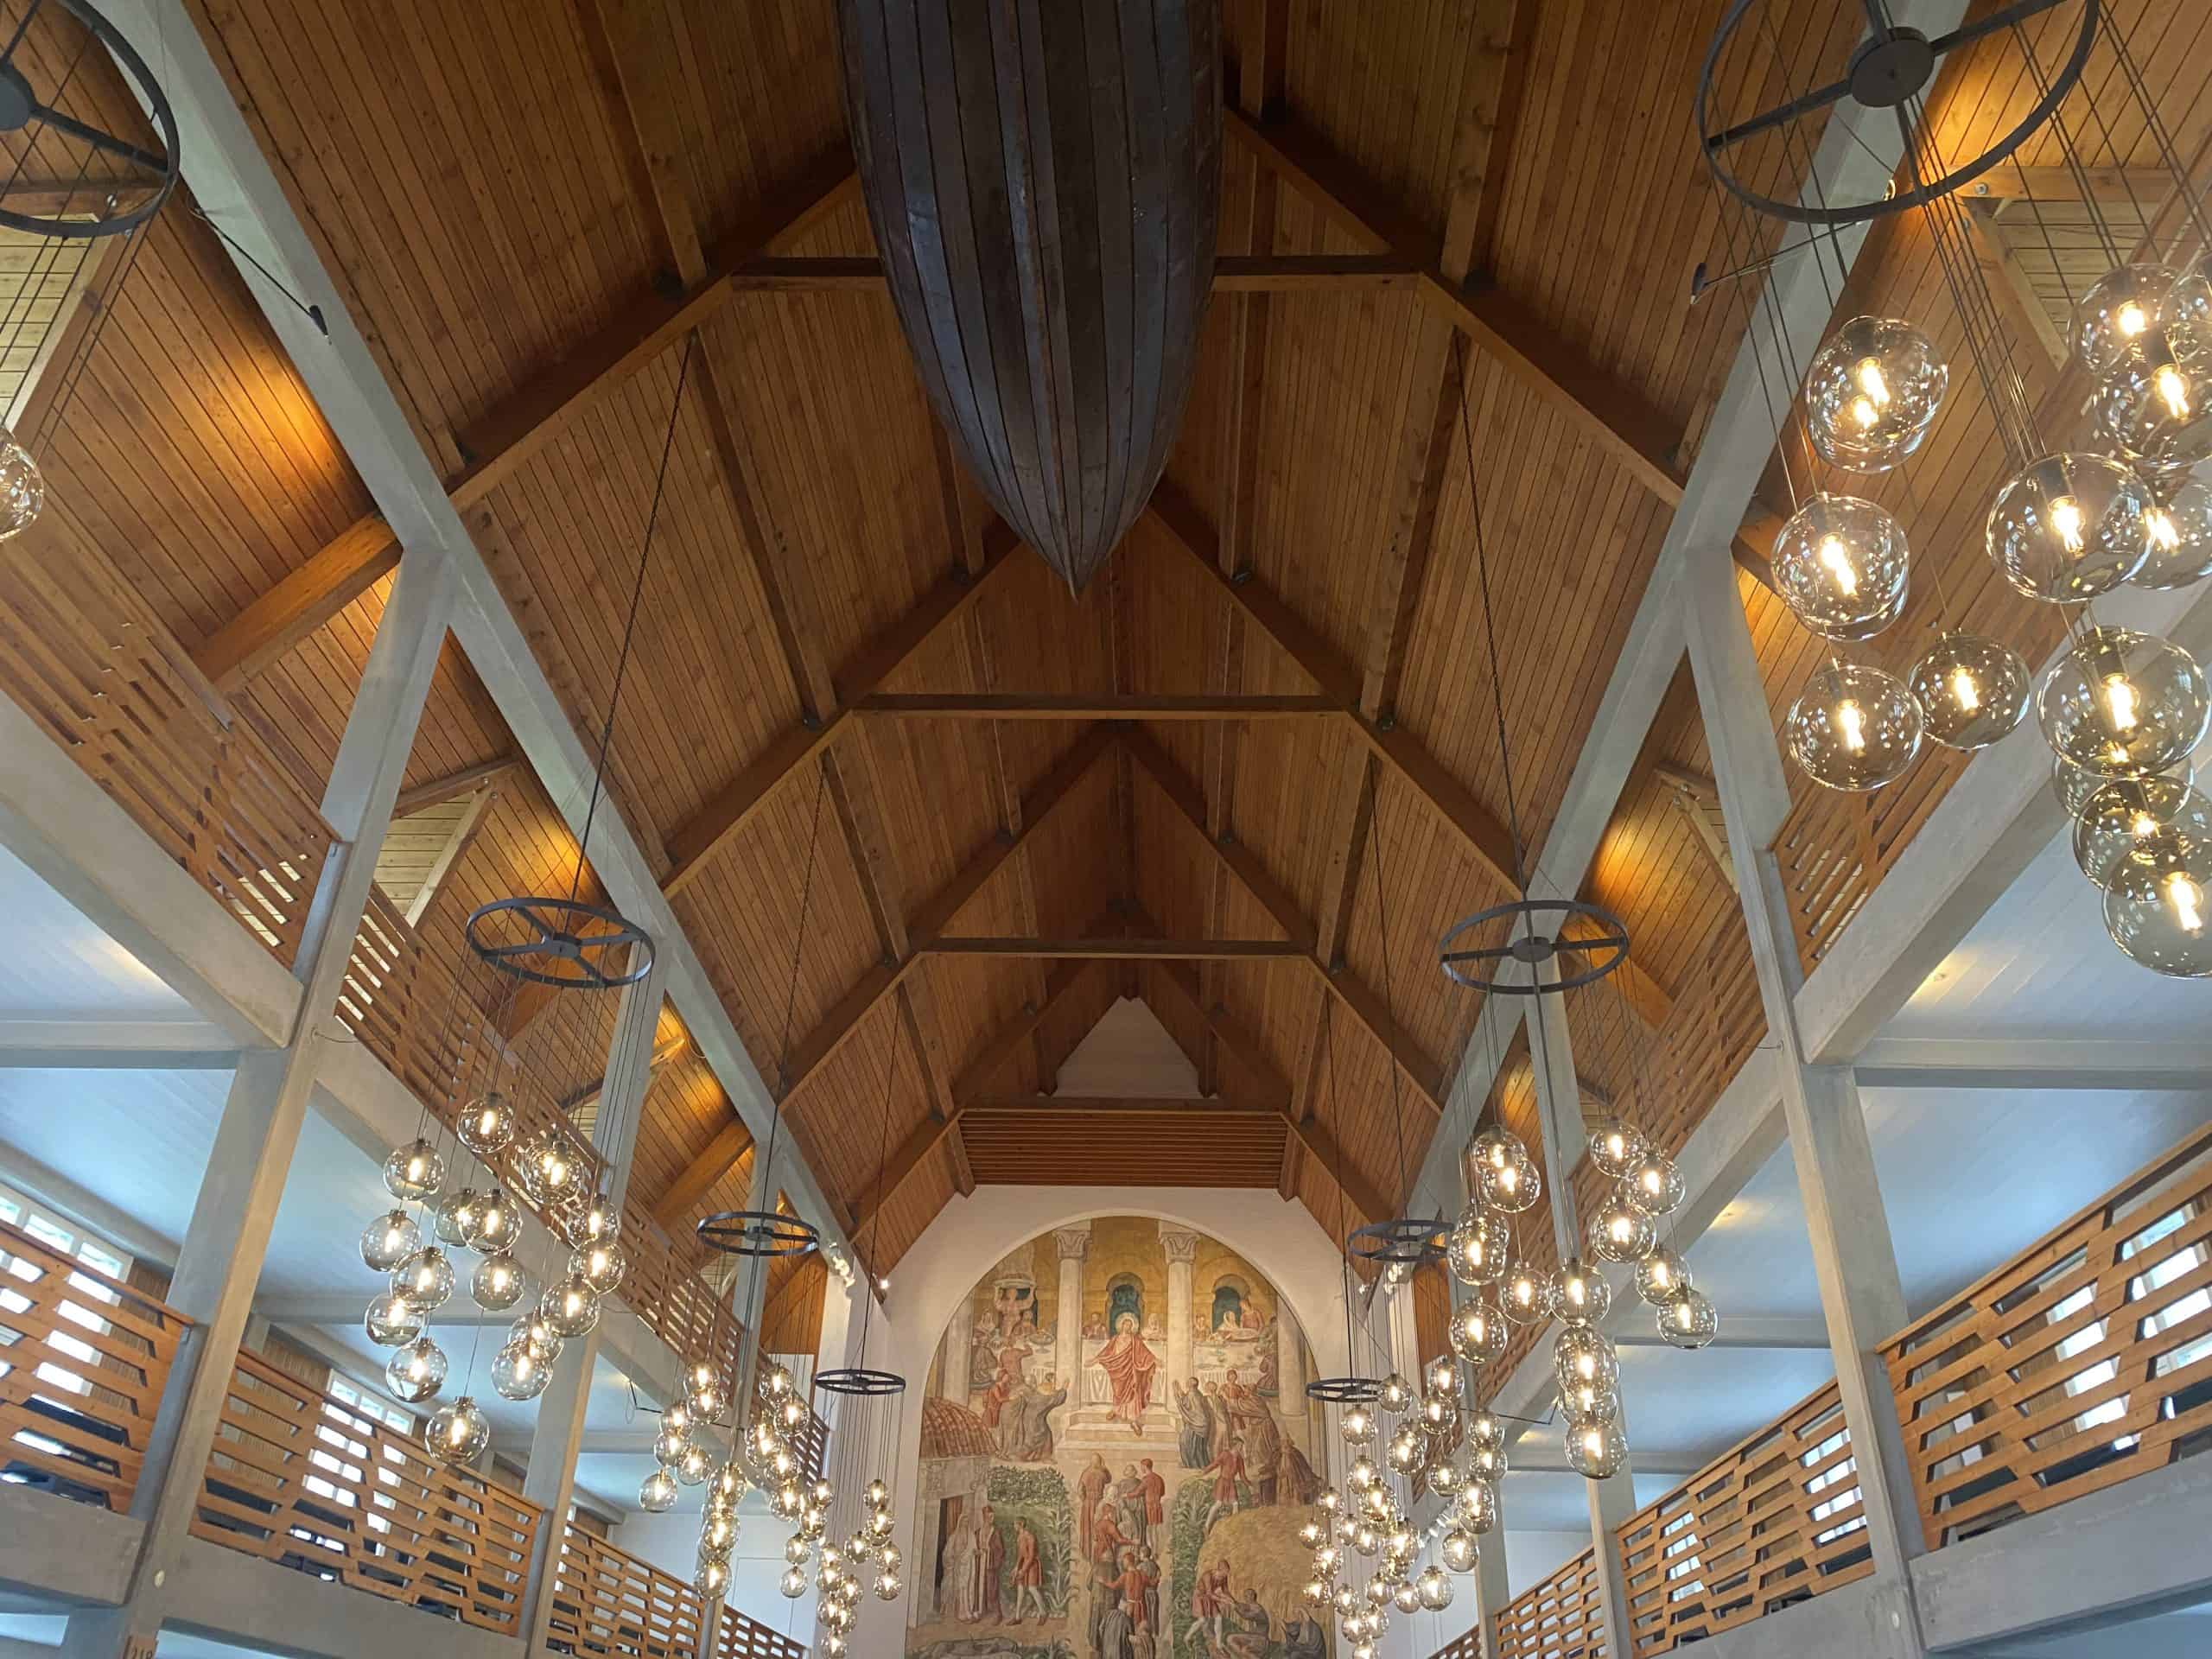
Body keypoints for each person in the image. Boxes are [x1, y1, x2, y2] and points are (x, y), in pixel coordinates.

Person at [1090, 1313, 1160, 1433]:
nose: (1127, 1327)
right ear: (1121, 1326)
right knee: (1118, 1391)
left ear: (1132, 1327)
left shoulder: (1135, 1339)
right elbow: (1107, 1352)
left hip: (1131, 1370)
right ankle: (1117, 1410)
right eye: (1125, 1325)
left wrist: (1154, 1359)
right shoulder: (1115, 1339)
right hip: (1117, 1369)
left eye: (1130, 1325)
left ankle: (1133, 1421)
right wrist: (1095, 1359)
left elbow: (1144, 1352)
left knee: (1133, 1393)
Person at [1183, 1559, 1232, 1651]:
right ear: (1219, 1570)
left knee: (1219, 1618)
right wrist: (1222, 1600)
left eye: (1227, 1573)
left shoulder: (1223, 1577)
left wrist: (1233, 1601)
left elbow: (1226, 1590)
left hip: (1209, 1598)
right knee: (1202, 1620)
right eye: (1224, 1573)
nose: (1226, 1576)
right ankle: (1187, 1637)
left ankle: (1218, 1644)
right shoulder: (1208, 1575)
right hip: (1200, 1597)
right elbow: (1209, 1593)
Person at [1201, 1435, 1245, 1535]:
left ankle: (1234, 1527)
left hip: (1231, 1483)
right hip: (1222, 1482)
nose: (1241, 1448)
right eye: (1240, 1446)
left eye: (1241, 1446)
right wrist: (1204, 1472)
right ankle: (1206, 1527)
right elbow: (1215, 1464)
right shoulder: (1225, 1454)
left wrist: (1249, 1484)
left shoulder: (1240, 1459)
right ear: (1235, 1446)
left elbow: (1242, 1475)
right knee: (1218, 1504)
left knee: (1235, 1504)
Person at [941, 1510, 976, 1623]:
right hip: (956, 1565)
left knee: (964, 1588)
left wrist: (972, 1553)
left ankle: (965, 1612)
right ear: (959, 1523)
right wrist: (953, 1556)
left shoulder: (971, 1536)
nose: (965, 1524)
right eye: (963, 1522)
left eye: (967, 1522)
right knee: (957, 1587)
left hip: (966, 1565)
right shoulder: (954, 1536)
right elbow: (947, 1552)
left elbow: (973, 1549)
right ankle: (956, 1612)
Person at [1009, 1517, 1046, 1622]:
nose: (1014, 1526)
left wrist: (1023, 1570)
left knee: (1032, 1589)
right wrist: (1017, 1567)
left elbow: (1031, 1556)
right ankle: (1017, 1617)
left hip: (1032, 1565)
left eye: (1015, 1524)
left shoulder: (1030, 1537)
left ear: (1020, 1525)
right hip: (1024, 1564)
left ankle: (1043, 1613)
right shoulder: (1020, 1537)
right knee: (1020, 1588)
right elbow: (1021, 1554)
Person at [1173, 1376, 1213, 1468]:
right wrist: (1179, 1390)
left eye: (1188, 1382)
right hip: (1200, 1423)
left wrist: (1176, 1393)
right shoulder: (1196, 1392)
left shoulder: (1192, 1394)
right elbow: (1186, 1400)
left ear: (1191, 1384)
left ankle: (1192, 1465)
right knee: (1197, 1446)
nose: (1186, 1382)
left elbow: (1183, 1405)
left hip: (1196, 1424)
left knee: (1186, 1442)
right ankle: (1200, 1464)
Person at [1077, 1454, 1111, 1558]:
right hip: (1098, 1502)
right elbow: (1108, 1479)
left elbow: (1080, 1490)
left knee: (1090, 1527)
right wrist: (1104, 1468)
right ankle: (1095, 1553)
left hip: (1088, 1503)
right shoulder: (1101, 1473)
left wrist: (1085, 1500)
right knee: (1095, 1526)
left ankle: (1089, 1553)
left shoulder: (1086, 1472)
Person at [976, 1506, 1006, 1624]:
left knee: (992, 1589)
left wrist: (988, 1549)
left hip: (991, 1563)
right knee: (979, 1588)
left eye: (993, 1516)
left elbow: (1001, 1550)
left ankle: (997, 1614)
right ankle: (979, 1612)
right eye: (989, 1516)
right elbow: (974, 1547)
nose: (992, 1518)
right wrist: (977, 1551)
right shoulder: (978, 1532)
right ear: (984, 1517)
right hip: (979, 1564)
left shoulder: (996, 1532)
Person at [1115, 1464, 1147, 1548]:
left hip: (1138, 1510)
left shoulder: (1139, 1482)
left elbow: (1142, 1497)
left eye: (1132, 1470)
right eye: (1129, 1470)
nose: (1131, 1472)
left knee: (1138, 1529)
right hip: (1125, 1511)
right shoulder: (1122, 1483)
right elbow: (1118, 1498)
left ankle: (1138, 1549)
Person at [1138, 1458, 1166, 1540]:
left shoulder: (1146, 1479)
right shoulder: (1159, 1478)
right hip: (1157, 1506)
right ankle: (1155, 1550)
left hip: (1149, 1507)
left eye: (1141, 1466)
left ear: (1145, 1466)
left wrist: (1126, 1495)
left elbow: (1137, 1492)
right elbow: (1163, 1493)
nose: (1141, 1468)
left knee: (1151, 1529)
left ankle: (1153, 1551)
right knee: (1156, 1529)